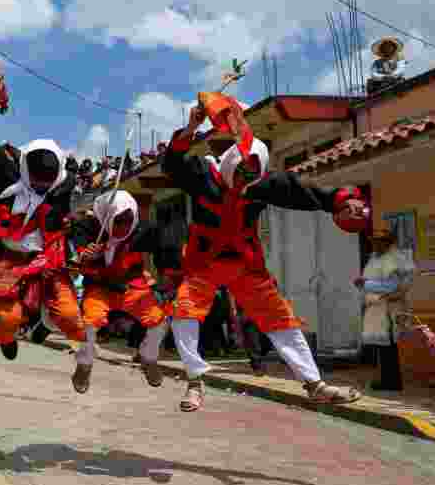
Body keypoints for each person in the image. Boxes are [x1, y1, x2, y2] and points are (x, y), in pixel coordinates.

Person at [162, 92, 365, 411]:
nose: (244, 180)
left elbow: (303, 192)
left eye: (250, 176)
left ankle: (314, 384)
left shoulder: (262, 184)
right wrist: (191, 128)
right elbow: (171, 164)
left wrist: (340, 201)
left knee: (280, 318)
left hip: (245, 263)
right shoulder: (202, 173)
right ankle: (195, 380)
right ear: (230, 164)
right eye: (240, 174)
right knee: (184, 313)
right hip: (204, 261)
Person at [0, 75, 86, 376]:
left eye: (47, 182)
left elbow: (72, 205)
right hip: (10, 258)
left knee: (71, 316)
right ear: (25, 169)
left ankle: (44, 327)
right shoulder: (9, 174)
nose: (40, 187)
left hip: (46, 260)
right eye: (35, 181)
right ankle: (6, 340)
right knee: (7, 322)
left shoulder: (64, 185)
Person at [71, 191, 171, 393]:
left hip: (132, 287)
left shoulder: (143, 230)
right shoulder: (88, 227)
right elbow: (77, 256)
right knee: (89, 324)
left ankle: (148, 357)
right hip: (100, 287)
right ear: (106, 217)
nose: (124, 226)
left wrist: (168, 272)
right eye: (118, 221)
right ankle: (84, 364)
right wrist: (85, 255)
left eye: (128, 220)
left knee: (160, 322)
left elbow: (165, 245)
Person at [355, 229, 416, 391]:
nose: (373, 244)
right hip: (378, 308)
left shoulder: (391, 260)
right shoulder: (376, 258)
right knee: (382, 347)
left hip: (388, 309)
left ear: (385, 243)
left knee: (388, 348)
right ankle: (385, 379)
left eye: (377, 241)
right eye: (373, 241)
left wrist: (365, 284)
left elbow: (392, 285)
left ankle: (392, 382)